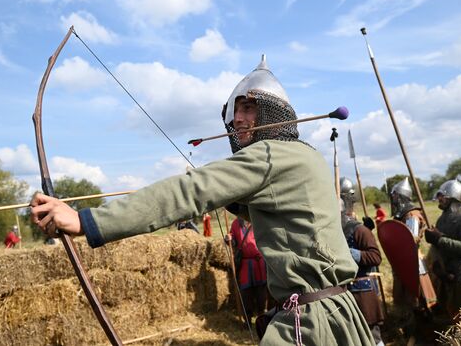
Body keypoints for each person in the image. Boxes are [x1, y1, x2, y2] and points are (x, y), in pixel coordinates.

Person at [30, 55, 374, 345]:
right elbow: (285, 218)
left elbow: (189, 191)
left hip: (309, 323)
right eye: (235, 111)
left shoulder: (270, 154)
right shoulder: (306, 157)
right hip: (340, 314)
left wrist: (86, 221)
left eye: (250, 108)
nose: (238, 118)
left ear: (273, 114)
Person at [425, 180, 461, 318]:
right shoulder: (441, 220)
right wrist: (437, 264)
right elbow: (439, 248)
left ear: (453, 197)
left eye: (442, 196)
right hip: (446, 275)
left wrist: (440, 239)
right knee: (449, 318)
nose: (439, 199)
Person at [389, 177, 437, 339]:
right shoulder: (403, 214)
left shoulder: (411, 214)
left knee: (418, 301)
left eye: (394, 196)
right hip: (404, 263)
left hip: (413, 263)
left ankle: (425, 335)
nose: (393, 199)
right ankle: (415, 334)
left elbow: (410, 239)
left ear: (400, 196)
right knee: (408, 301)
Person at [341, 178, 385, 346]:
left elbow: (375, 257)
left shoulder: (360, 230)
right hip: (344, 293)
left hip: (363, 292)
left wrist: (350, 253)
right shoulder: (334, 231)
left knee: (372, 335)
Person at [225, 217, 268, 318]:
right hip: (245, 264)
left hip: (259, 263)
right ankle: (247, 319)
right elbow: (233, 239)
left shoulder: (258, 219)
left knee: (261, 292)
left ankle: (262, 316)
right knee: (245, 293)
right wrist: (229, 239)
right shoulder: (236, 223)